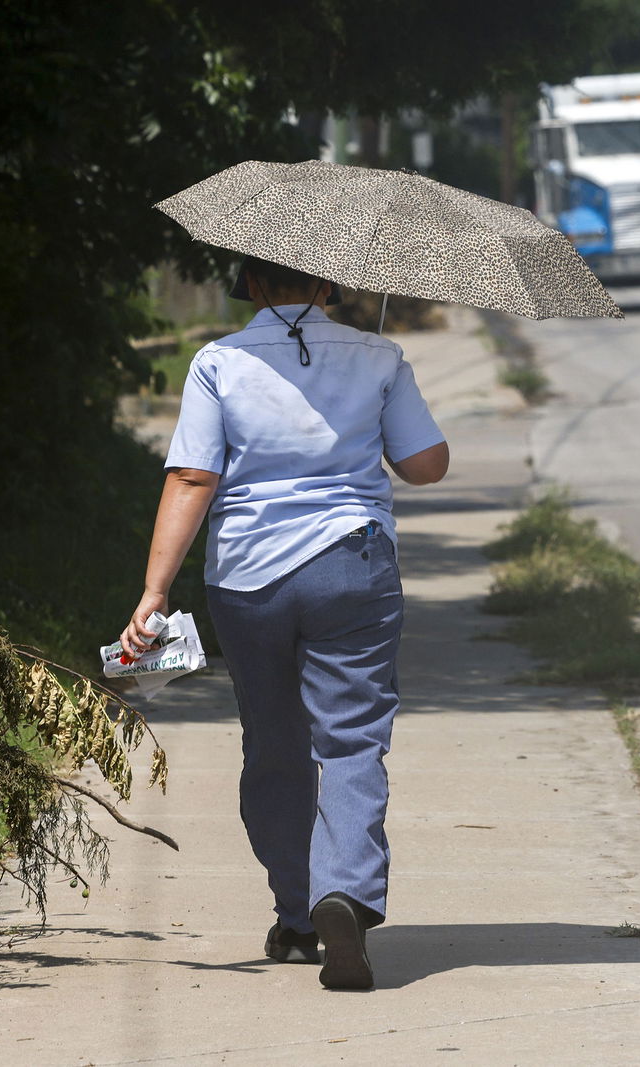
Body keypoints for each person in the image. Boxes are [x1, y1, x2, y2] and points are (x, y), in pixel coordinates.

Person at [120, 255, 449, 990]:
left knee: (274, 741)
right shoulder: (380, 356)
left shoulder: (219, 362)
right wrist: (379, 404)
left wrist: (155, 590)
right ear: (329, 284)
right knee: (352, 737)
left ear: (255, 285)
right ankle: (348, 893)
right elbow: (427, 464)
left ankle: (298, 913)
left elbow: (194, 476)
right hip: (352, 569)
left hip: (247, 577)